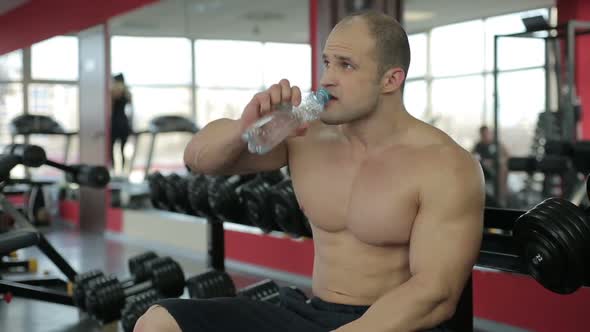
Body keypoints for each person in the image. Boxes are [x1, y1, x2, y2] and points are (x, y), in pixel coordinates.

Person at [135, 10, 484, 332]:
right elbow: (198, 158)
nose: (327, 78)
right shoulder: (306, 136)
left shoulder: (445, 164)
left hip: (396, 323)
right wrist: (244, 128)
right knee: (157, 322)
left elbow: (434, 293)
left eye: (346, 66)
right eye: (327, 62)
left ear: (391, 80)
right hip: (310, 312)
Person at [472, 125, 509, 206]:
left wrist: (498, 161)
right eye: (483, 134)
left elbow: (506, 155)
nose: (485, 136)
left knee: (503, 169)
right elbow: (473, 157)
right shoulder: (478, 146)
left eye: (487, 133)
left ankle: (502, 195)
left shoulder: (497, 144)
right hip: (483, 170)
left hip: (497, 169)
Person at [110, 73, 133, 173]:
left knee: (112, 150)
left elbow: (110, 109)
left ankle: (114, 171)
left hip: (115, 123)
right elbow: (130, 110)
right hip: (123, 123)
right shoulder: (126, 93)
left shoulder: (113, 93)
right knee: (122, 150)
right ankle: (123, 172)